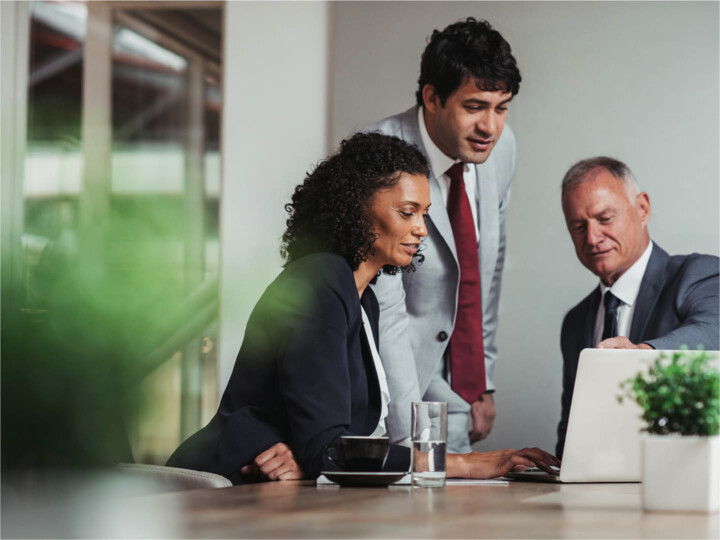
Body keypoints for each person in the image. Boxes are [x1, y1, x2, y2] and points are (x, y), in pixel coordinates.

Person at [166, 133, 559, 483]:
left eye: (424, 214)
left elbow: (327, 451)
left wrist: (316, 459)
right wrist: (468, 464)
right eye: (407, 212)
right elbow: (327, 448)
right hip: (219, 487)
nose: (421, 228)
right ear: (356, 210)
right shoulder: (320, 281)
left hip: (272, 488)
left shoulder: (362, 298)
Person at [366, 18, 520, 453]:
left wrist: (481, 381)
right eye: (475, 106)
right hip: (395, 387)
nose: (490, 126)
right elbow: (380, 307)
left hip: (461, 382)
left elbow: (487, 263)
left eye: (501, 107)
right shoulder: (379, 154)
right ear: (432, 97)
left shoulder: (502, 148)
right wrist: (407, 433)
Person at [557, 156, 719, 458]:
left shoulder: (698, 275)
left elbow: (712, 332)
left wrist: (640, 356)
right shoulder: (575, 322)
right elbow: (571, 434)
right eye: (578, 227)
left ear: (642, 208)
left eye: (605, 218)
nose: (592, 238)